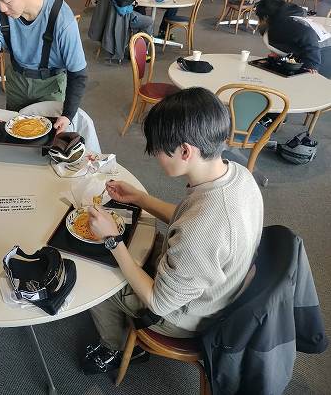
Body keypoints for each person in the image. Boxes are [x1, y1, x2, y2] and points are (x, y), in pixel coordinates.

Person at [80, 87, 264, 374]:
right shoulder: (237, 174)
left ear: (186, 151)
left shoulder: (203, 229)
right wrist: (141, 199)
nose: (156, 155)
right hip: (214, 287)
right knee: (138, 238)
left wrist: (112, 241)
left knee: (99, 278)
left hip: (182, 317)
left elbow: (158, 302)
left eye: (159, 150)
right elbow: (189, 218)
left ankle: (114, 347)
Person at [0, 0, 88, 145]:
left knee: (45, 144)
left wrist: (67, 115)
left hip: (51, 85)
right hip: (17, 81)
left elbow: (78, 74)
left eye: (6, 0)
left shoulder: (61, 18)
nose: (1, 8)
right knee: (14, 136)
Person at [255, 0, 331, 79]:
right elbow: (294, 39)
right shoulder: (289, 16)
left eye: (259, 18)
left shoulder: (284, 23)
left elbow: (307, 35)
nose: (259, 22)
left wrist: (311, 64)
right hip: (318, 49)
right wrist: (280, 55)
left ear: (265, 17)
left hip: (321, 54)